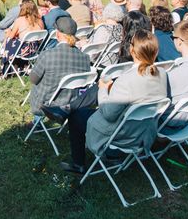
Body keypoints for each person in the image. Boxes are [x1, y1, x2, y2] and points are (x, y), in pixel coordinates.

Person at [61, 30, 168, 174]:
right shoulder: (163, 74)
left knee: (76, 116)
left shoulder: (127, 79)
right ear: (155, 51)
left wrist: (103, 89)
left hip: (120, 136)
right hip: (143, 133)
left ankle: (78, 163)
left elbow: (109, 114)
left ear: (132, 50)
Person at [28, 17, 90, 120]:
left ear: (58, 34)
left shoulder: (47, 54)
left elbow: (33, 79)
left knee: (38, 81)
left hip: (46, 105)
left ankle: (37, 122)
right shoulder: (85, 57)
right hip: (73, 103)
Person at [0, 0, 45, 78]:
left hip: (23, 51)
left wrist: (8, 30)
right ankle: (24, 67)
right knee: (15, 42)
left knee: (8, 41)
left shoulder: (20, 20)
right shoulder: (40, 20)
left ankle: (6, 71)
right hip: (35, 50)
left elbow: (11, 36)